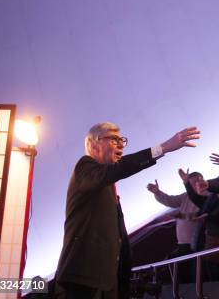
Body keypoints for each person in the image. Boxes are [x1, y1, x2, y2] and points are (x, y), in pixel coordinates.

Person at [54, 122, 200, 299]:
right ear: (93, 145)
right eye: (114, 139)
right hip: (83, 276)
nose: (121, 144)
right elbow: (121, 168)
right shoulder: (84, 167)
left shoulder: (107, 183)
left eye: (122, 140)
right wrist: (164, 147)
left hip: (108, 280)